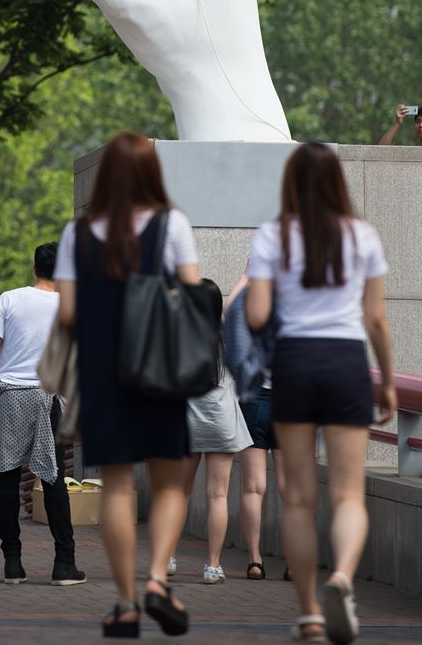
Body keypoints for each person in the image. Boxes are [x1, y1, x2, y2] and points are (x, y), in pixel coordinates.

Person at [246, 142, 396, 645]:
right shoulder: (362, 236)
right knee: (351, 492)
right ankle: (342, 579)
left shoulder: (273, 236)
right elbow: (375, 318)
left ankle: (310, 612)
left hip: (292, 364)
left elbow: (258, 316)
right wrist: (389, 380)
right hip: (346, 362)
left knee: (300, 500)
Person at [54, 131, 200, 638]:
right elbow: (193, 293)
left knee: (116, 485)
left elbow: (69, 311)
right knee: (170, 482)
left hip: (103, 372)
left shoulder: (80, 232)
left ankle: (125, 602)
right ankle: (158, 579)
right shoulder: (172, 223)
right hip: (160, 369)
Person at [0, 242, 85, 586]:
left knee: (6, 477)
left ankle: (13, 563)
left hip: (9, 397)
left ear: (35, 268)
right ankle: (64, 564)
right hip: (51, 397)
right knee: (53, 479)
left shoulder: (10, 298)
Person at [168, 279, 252, 585]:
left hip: (187, 421)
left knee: (180, 492)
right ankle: (213, 565)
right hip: (221, 420)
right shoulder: (230, 336)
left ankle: (168, 558)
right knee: (218, 494)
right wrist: (248, 274)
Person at [225, 272, 288, 582]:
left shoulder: (252, 304)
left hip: (255, 401)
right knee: (291, 490)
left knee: (253, 487)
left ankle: (255, 560)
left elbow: (228, 311)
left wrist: (246, 277)